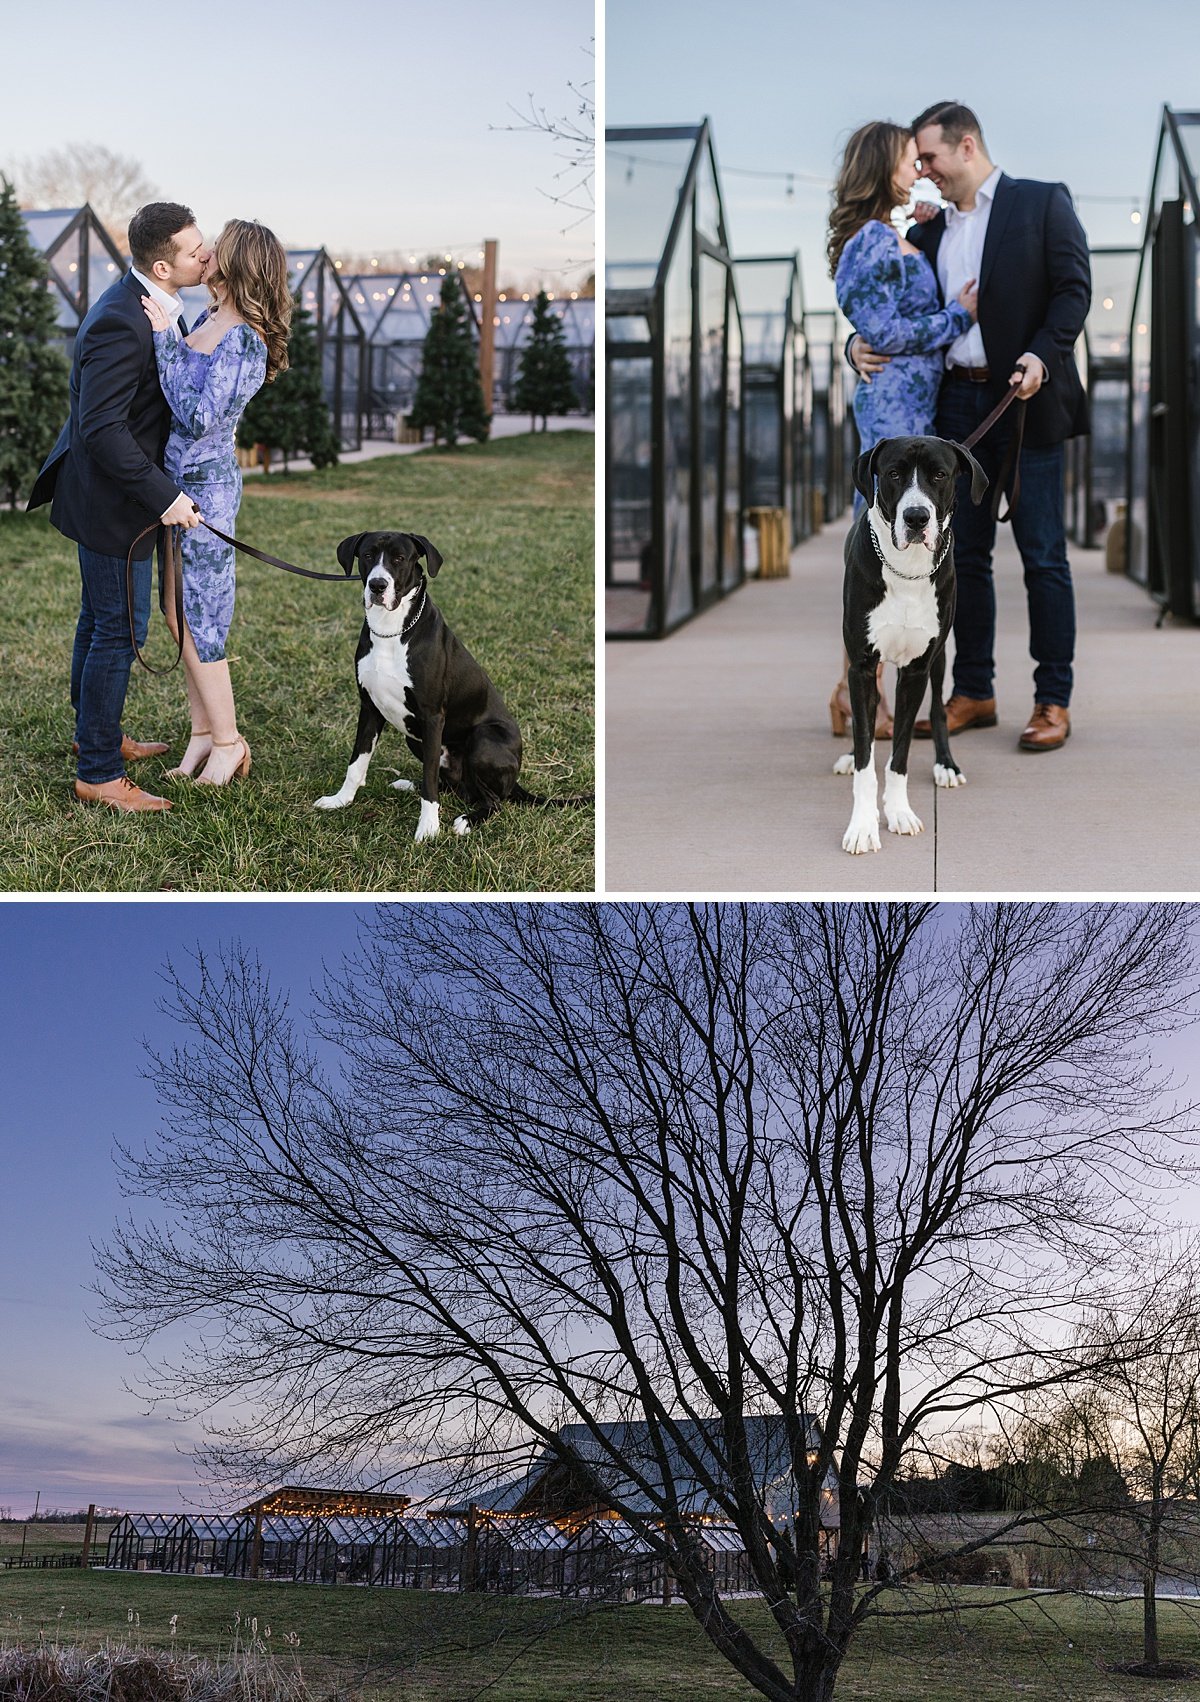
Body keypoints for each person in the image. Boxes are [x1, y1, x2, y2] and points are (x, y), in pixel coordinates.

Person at [850, 101, 1091, 752]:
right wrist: (854, 344)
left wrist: (1042, 354)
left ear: (967, 147)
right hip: (955, 411)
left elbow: (1073, 289)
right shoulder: (925, 232)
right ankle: (974, 692)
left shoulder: (1041, 203)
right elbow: (890, 307)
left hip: (1027, 402)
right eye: (916, 160)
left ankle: (1052, 700)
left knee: (1044, 558)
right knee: (965, 560)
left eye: (929, 157)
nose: (923, 171)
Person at [29, 202, 209, 812]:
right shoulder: (121, 321)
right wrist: (167, 497)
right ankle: (100, 773)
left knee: (98, 619)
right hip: (113, 502)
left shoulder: (147, 305)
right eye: (195, 251)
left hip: (110, 494)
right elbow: (102, 429)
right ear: (163, 265)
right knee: (117, 629)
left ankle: (93, 740)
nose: (206, 257)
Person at [827, 121, 979, 739]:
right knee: (875, 555)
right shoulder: (869, 239)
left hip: (918, 410)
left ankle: (850, 691)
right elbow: (882, 331)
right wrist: (956, 316)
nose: (918, 167)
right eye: (908, 158)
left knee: (898, 559)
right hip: (892, 412)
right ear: (879, 163)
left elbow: (879, 322)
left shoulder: (892, 234)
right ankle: (861, 692)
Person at [141, 218, 292, 785]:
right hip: (173, 490)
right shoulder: (208, 317)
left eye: (213, 252)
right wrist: (175, 334)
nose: (202, 257)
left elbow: (198, 415)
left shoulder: (245, 339)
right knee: (176, 613)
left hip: (205, 497)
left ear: (234, 266)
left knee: (201, 619)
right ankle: (201, 734)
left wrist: (164, 339)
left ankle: (229, 743)